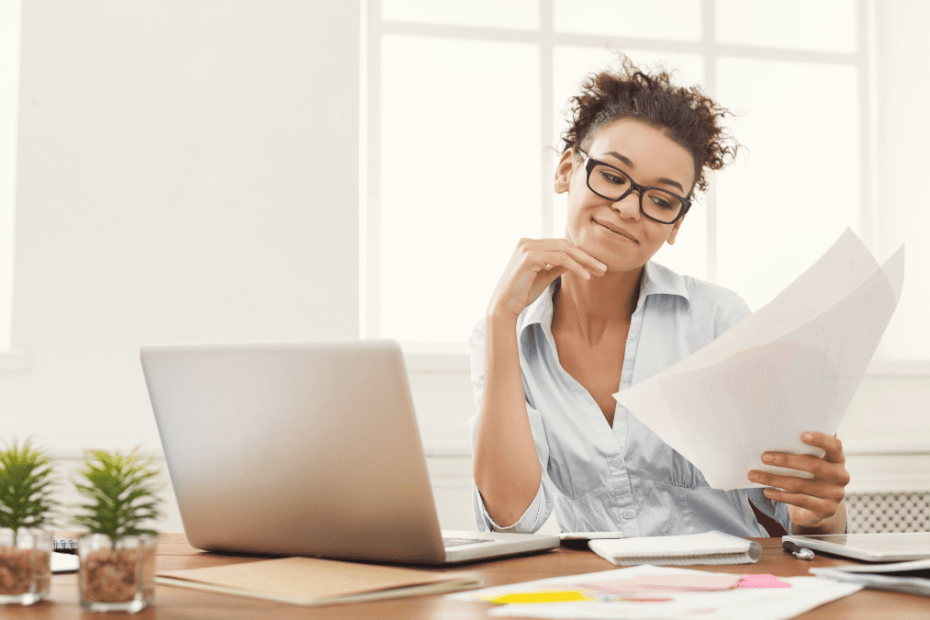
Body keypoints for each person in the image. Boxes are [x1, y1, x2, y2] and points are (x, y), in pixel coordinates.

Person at [469, 54, 850, 537]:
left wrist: (820, 508)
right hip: (590, 599)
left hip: (723, 595)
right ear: (567, 169)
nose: (629, 208)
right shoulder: (503, 336)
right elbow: (511, 518)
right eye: (611, 176)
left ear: (677, 223)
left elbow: (796, 523)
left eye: (662, 199)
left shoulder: (718, 321)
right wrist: (502, 317)